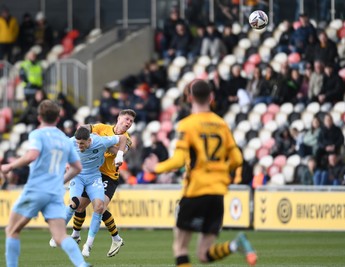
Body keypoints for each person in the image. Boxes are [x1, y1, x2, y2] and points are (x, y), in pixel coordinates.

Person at [145, 79, 257, 267]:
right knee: (203, 255)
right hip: (217, 194)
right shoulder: (222, 124)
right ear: (211, 98)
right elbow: (237, 159)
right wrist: (221, 171)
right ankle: (235, 244)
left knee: (180, 248)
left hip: (196, 190)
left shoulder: (187, 125)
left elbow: (179, 160)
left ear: (190, 98)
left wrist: (156, 168)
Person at [0, 100, 91, 267]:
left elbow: (32, 155)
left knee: (12, 230)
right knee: (60, 236)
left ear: (39, 116)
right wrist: (59, 181)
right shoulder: (65, 139)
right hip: (55, 192)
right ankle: (81, 264)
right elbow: (77, 167)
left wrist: (10, 166)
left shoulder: (38, 134)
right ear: (58, 118)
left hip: (36, 189)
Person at [49, 127, 127, 257]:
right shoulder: (70, 142)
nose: (79, 146)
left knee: (99, 207)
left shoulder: (100, 141)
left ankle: (88, 245)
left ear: (89, 140)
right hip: (77, 176)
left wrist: (119, 155)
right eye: (77, 143)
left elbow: (123, 138)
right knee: (74, 204)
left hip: (94, 177)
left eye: (82, 144)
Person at [71, 109, 135, 257]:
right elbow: (86, 128)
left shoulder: (127, 138)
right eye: (126, 119)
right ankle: (76, 235)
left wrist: (99, 142)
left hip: (109, 176)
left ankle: (113, 239)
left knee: (99, 207)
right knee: (79, 206)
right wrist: (86, 133)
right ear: (118, 118)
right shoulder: (102, 128)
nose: (128, 123)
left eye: (131, 121)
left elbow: (118, 151)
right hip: (94, 174)